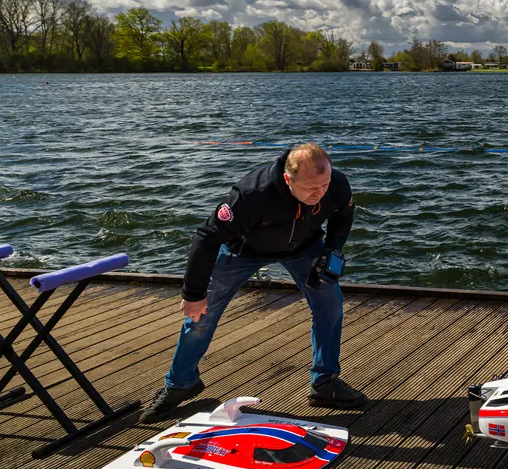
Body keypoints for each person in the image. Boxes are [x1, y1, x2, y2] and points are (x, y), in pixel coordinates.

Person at [140, 143, 366, 422]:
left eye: (324, 185)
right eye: (310, 188)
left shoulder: (336, 185)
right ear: (288, 179)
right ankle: (180, 383)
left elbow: (343, 216)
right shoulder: (251, 195)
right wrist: (193, 292)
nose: (319, 194)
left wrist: (332, 250)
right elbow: (206, 237)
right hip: (243, 251)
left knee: (330, 305)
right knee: (200, 313)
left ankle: (325, 382)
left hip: (304, 248)